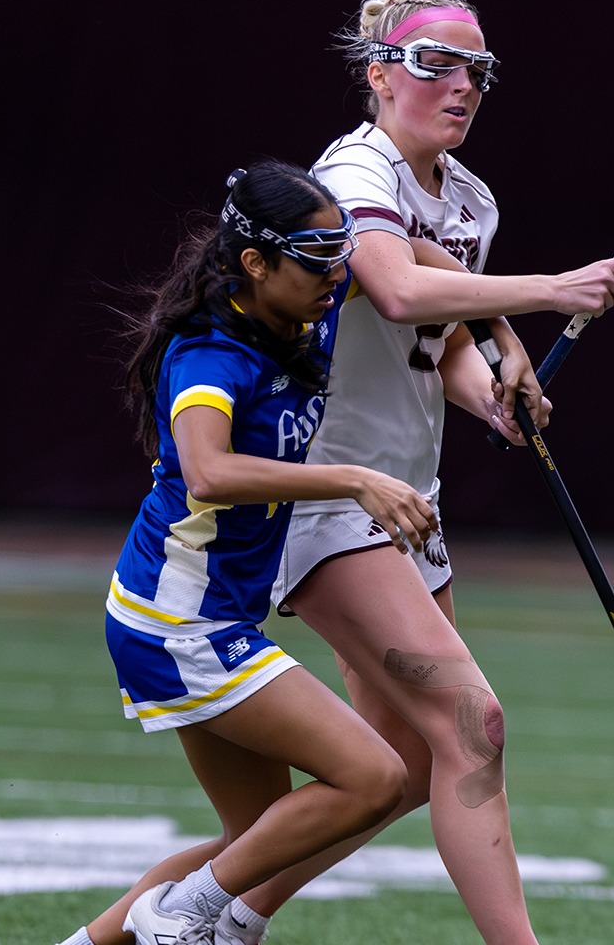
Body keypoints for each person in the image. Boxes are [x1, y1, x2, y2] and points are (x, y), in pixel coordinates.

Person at [203, 0, 614, 945]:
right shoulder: (354, 172)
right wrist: (550, 292)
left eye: (476, 70)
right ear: (377, 74)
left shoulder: (471, 200)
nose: (460, 85)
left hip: (407, 502)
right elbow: (397, 289)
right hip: (327, 493)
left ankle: (195, 917)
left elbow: (431, 341)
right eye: (433, 64)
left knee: (397, 770)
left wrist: (491, 388)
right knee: (473, 725)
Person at [57, 163, 437, 945]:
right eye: (317, 256)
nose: (339, 271)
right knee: (376, 780)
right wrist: (355, 478)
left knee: (256, 840)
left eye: (343, 249)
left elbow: (417, 266)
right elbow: (210, 470)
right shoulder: (209, 353)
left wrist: (514, 325)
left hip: (203, 614)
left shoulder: (313, 301)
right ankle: (183, 918)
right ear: (257, 264)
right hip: (178, 620)